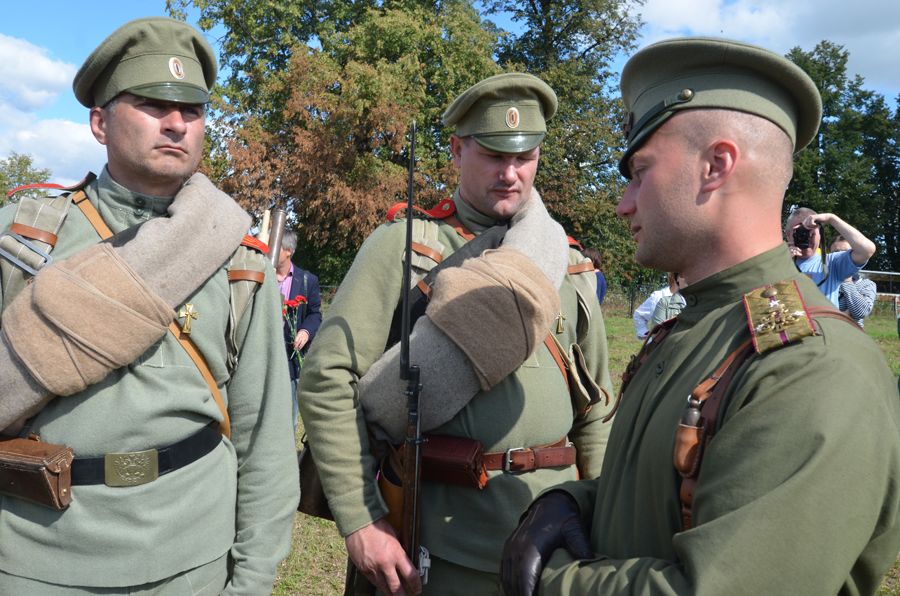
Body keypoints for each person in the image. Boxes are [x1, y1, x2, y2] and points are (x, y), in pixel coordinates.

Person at [501, 36, 900, 595]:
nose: (623, 201)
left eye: (640, 171)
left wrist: (554, 583)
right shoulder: (697, 330)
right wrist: (573, 500)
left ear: (716, 165)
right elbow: (655, 495)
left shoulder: (812, 369)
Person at [0, 17, 298, 594]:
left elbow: (266, 440)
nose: (176, 124)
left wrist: (253, 577)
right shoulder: (23, 239)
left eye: (191, 110)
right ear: (98, 121)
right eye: (151, 103)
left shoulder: (240, 260)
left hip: (189, 559)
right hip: (36, 557)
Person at [298, 72, 613, 595]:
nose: (510, 173)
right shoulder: (404, 250)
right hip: (435, 550)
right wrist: (360, 521)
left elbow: (595, 410)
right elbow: (326, 379)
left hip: (554, 549)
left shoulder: (568, 264)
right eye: (493, 154)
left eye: (525, 156)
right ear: (457, 149)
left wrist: (602, 522)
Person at [276, 229, 322, 431]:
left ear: (288, 251)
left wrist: (305, 331)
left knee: (290, 417)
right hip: (263, 354)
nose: (268, 250)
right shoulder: (260, 276)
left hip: (291, 358)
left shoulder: (307, 280)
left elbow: (315, 314)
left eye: (274, 246)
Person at [785, 206, 875, 307]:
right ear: (788, 235)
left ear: (820, 234)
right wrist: (782, 263)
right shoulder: (779, 263)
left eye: (811, 233)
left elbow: (867, 250)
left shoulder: (832, 262)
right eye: (798, 232)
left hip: (821, 322)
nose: (806, 237)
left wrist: (831, 218)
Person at [831, 237, 877, 327]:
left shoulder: (866, 284)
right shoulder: (823, 279)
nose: (841, 256)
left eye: (846, 252)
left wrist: (847, 280)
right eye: (836, 252)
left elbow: (861, 312)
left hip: (851, 336)